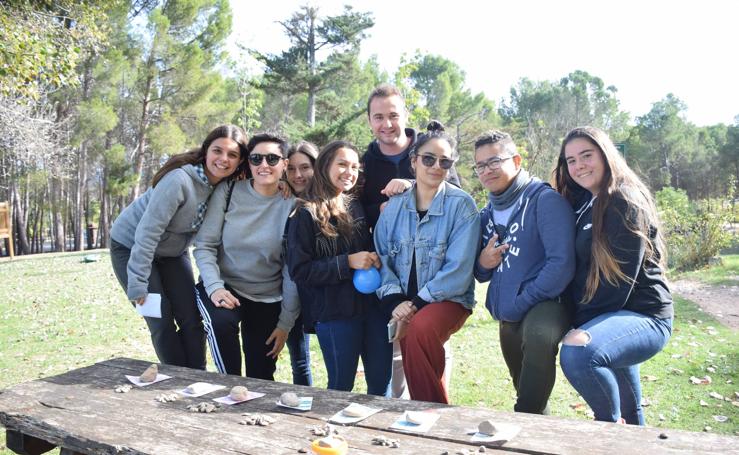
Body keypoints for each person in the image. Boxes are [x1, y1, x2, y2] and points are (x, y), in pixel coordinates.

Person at [554, 126, 674, 425]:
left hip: (644, 316)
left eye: (586, 155)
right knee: (634, 417)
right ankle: (631, 434)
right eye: (571, 160)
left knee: (578, 353)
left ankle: (608, 428)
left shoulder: (623, 198)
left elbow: (619, 281)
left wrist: (577, 324)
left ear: (606, 155)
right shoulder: (585, 203)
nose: (579, 165)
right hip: (612, 316)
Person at [110, 124, 247, 369]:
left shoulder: (226, 185)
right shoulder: (179, 180)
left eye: (232, 155)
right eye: (218, 151)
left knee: (191, 318)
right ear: (206, 151)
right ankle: (177, 378)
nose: (224, 159)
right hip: (133, 247)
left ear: (240, 161)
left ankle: (196, 377)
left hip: (172, 251)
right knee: (160, 321)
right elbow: (147, 232)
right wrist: (138, 282)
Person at [361, 83, 458, 398]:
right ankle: (402, 405)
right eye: (378, 117)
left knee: (427, 338)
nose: (386, 124)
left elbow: (455, 195)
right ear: (369, 121)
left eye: (392, 115)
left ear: (405, 115)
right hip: (394, 268)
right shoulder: (366, 162)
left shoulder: (432, 148)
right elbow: (357, 208)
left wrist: (413, 185)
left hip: (436, 268)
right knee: (396, 342)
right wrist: (383, 209)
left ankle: (433, 406)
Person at [374, 121, 480, 404]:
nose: (436, 167)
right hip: (404, 301)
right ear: (414, 162)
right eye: (429, 159)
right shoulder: (394, 207)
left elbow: (458, 270)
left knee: (418, 328)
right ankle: (434, 410)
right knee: (413, 335)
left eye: (445, 162)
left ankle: (428, 411)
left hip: (449, 299)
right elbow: (382, 255)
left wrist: (415, 304)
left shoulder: (463, 206)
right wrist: (396, 299)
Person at [473, 130, 574, 414]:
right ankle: (537, 435)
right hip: (508, 314)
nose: (486, 170)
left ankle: (523, 428)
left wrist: (521, 303)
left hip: (545, 304)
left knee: (539, 341)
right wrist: (483, 261)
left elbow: (561, 264)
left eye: (494, 161)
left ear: (516, 161)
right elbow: (481, 274)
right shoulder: (487, 214)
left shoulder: (544, 200)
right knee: (529, 395)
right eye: (480, 165)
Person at [287, 141, 392, 396]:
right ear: (324, 166)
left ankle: (377, 433)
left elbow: (365, 249)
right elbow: (300, 270)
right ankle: (332, 434)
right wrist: (347, 262)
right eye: (342, 164)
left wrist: (372, 258)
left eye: (355, 166)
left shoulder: (354, 204)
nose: (349, 172)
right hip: (335, 315)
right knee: (340, 387)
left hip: (373, 309)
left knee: (381, 385)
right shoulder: (304, 213)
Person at [193, 133, 299, 379]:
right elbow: (204, 245)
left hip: (267, 296)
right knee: (221, 324)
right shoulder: (228, 192)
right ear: (248, 163)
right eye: (256, 158)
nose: (264, 165)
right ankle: (229, 386)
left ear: (285, 164)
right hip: (225, 286)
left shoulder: (293, 205)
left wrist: (285, 323)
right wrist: (215, 288)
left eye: (272, 159)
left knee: (260, 377)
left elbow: (291, 270)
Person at [282, 140, 319, 386]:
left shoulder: (330, 198)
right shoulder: (282, 199)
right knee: (300, 359)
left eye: (305, 167)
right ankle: (303, 403)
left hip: (323, 288)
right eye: (291, 169)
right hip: (291, 288)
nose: (298, 175)